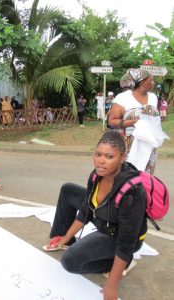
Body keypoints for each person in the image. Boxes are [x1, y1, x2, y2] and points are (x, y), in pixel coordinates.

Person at [43, 130, 147, 300]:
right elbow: (86, 210)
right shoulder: (96, 176)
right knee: (68, 189)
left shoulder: (133, 193)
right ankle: (66, 241)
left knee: (69, 262)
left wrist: (111, 285)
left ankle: (123, 262)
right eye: (98, 154)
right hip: (103, 217)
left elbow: (126, 241)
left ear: (122, 157)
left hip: (118, 235)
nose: (101, 161)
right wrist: (64, 238)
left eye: (109, 156)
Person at [108, 68, 159, 174]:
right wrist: (133, 122)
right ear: (142, 82)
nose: (153, 83)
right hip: (128, 144)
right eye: (151, 80)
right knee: (128, 175)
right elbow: (111, 121)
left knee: (146, 176)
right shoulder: (123, 98)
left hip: (149, 144)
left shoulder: (153, 97)